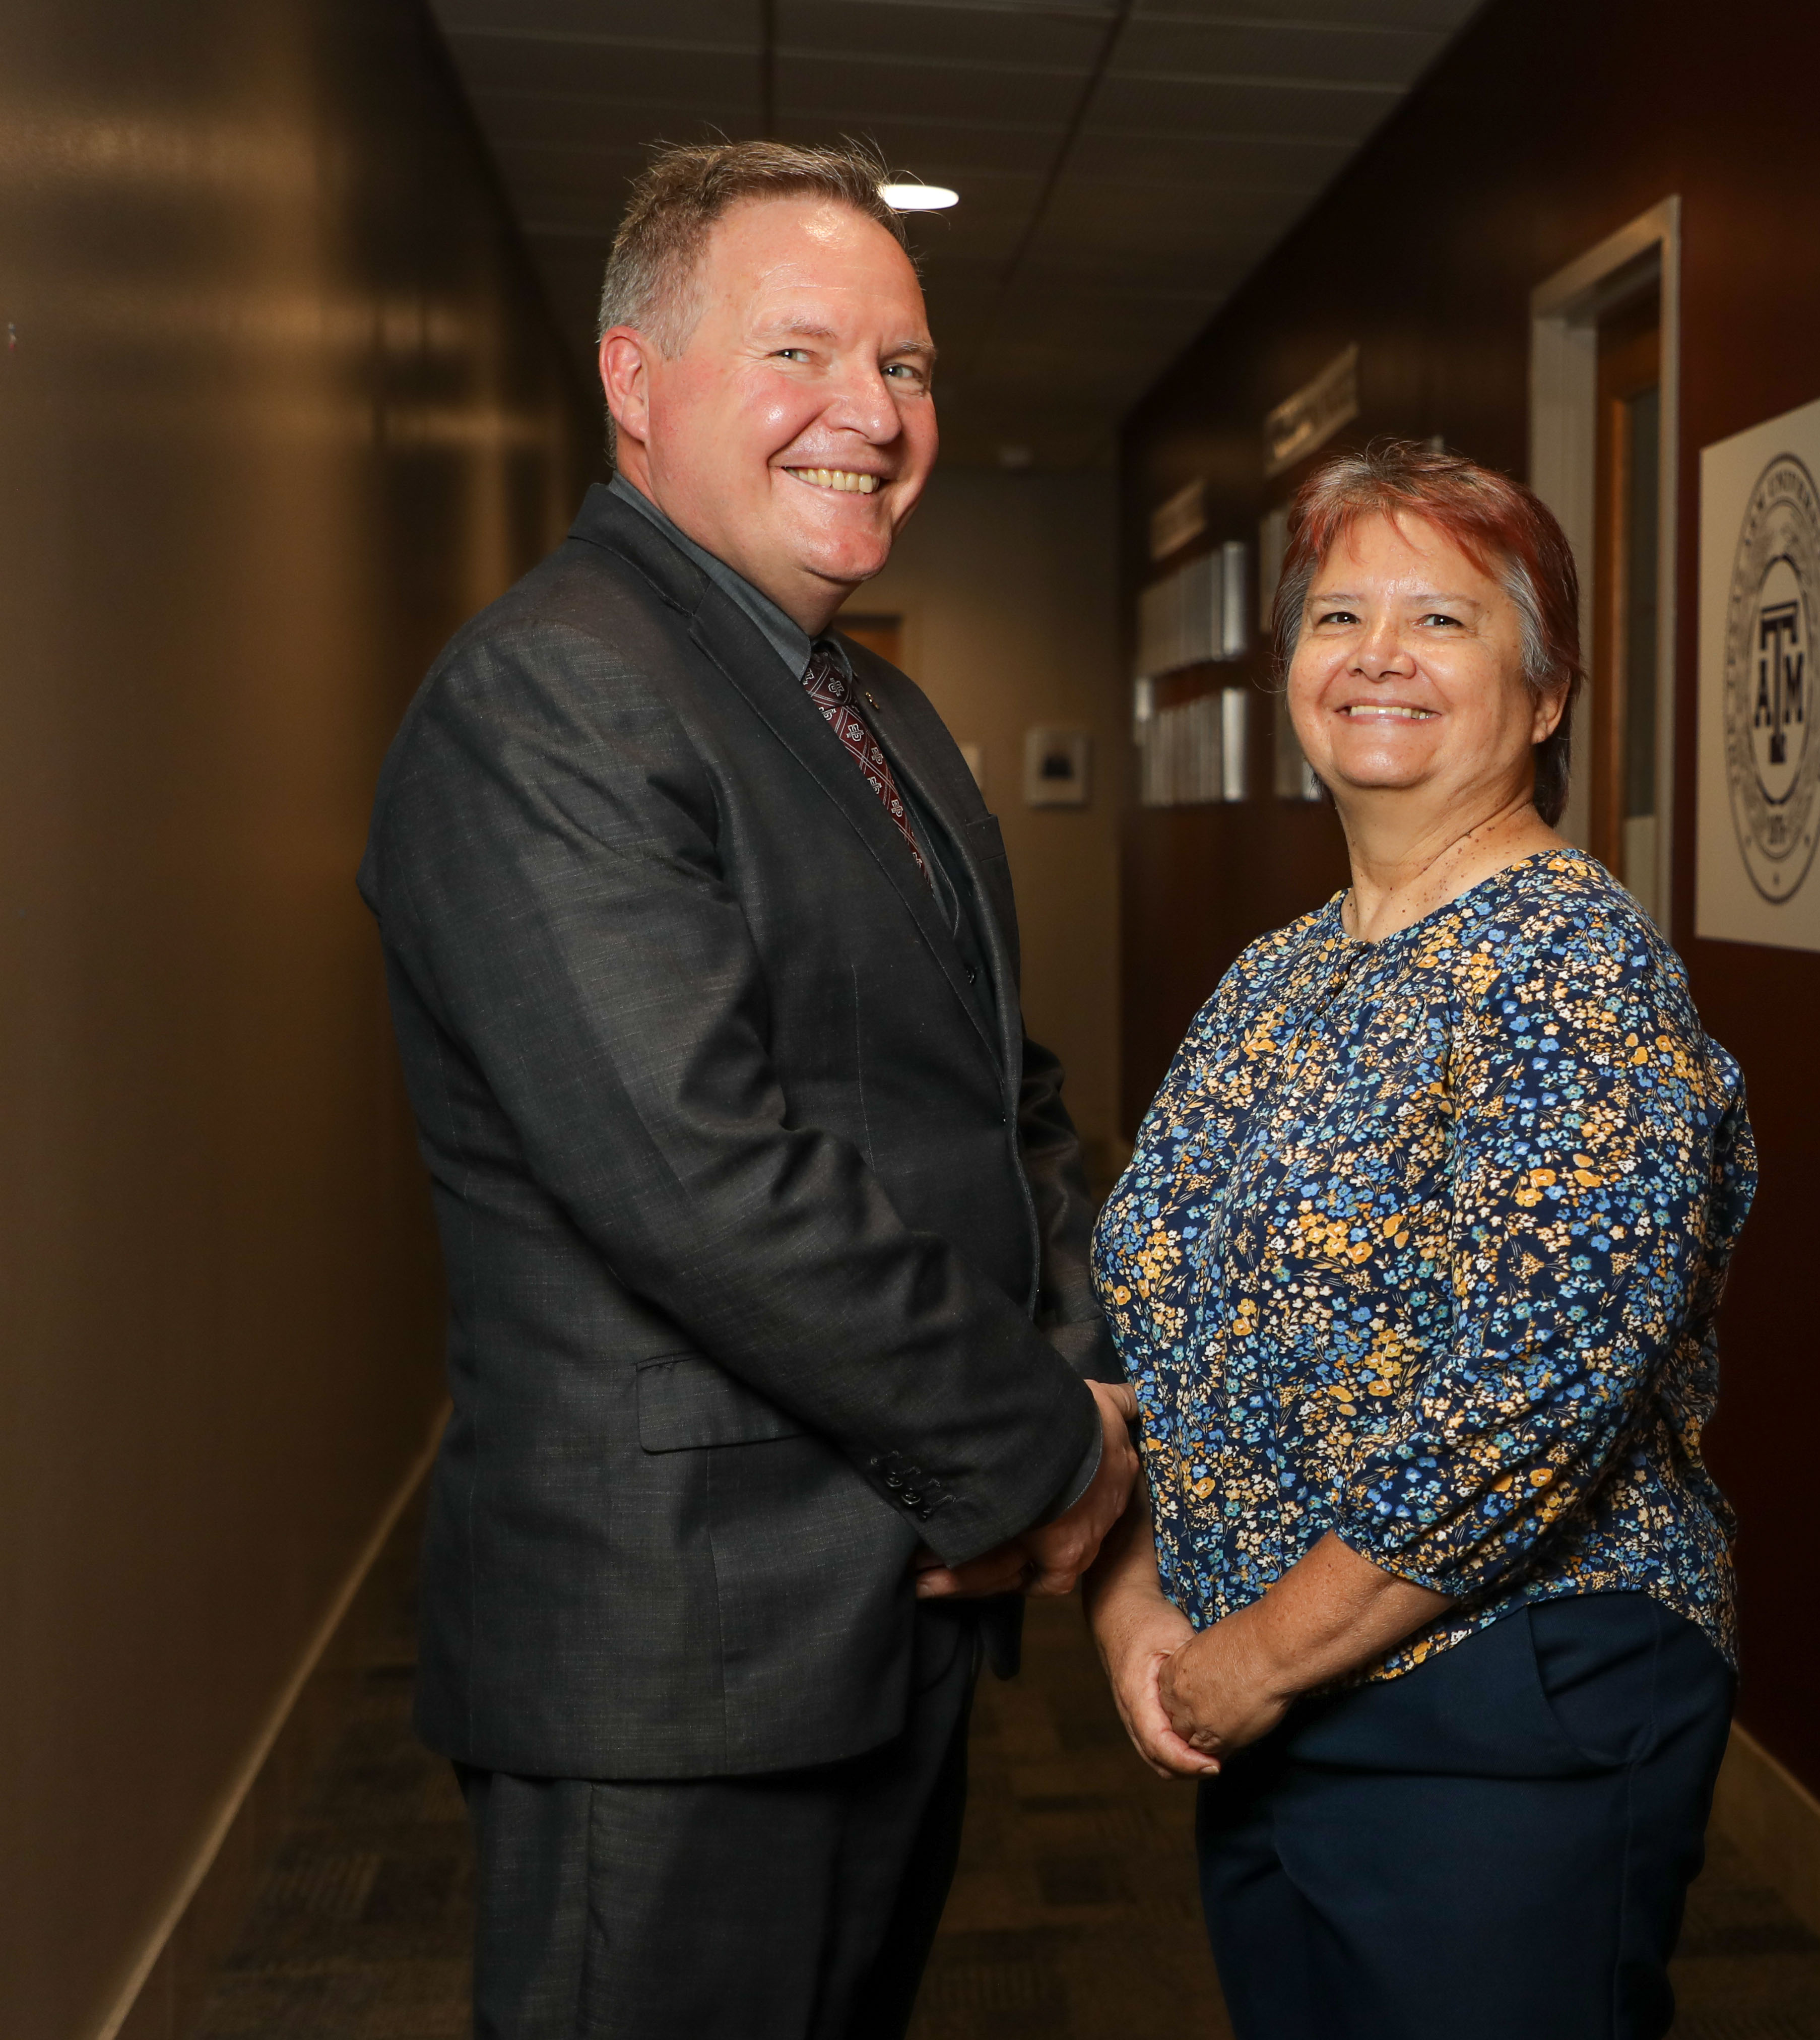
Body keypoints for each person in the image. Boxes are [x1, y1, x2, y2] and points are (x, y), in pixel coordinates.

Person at [357, 140, 1132, 2039]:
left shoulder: (868, 710)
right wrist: (1047, 1448)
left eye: (910, 368)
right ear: (638, 381)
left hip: (892, 1614)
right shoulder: (554, 697)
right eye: (803, 353)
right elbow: (706, 1181)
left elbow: (996, 1098)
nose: (868, 417)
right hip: (681, 1660)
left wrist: (1084, 1352)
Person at [1086, 440, 1757, 2039]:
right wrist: (1134, 1607)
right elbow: (1149, 1313)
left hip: (1500, 1715)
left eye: (1442, 621)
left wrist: (1255, 1657)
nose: (1377, 655)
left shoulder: (1576, 976)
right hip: (1270, 1707)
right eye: (1336, 617)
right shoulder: (1277, 976)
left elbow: (1516, 1410)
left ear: (1544, 695)